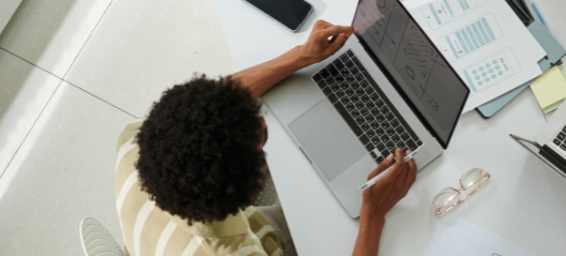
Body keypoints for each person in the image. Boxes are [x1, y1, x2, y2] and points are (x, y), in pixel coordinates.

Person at [115, 20, 417, 256]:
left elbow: (210, 104)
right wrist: (373, 214)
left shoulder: (134, 141)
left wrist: (300, 56)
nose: (261, 119)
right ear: (247, 193)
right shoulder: (239, 252)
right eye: (260, 137)